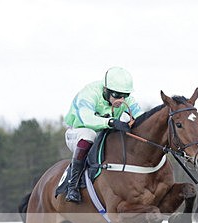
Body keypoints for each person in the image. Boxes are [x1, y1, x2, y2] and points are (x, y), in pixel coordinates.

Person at [61, 67, 144, 202]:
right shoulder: (89, 93)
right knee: (89, 135)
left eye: (125, 96)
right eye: (117, 95)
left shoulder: (125, 98)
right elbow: (86, 118)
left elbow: (141, 117)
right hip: (78, 130)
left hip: (104, 133)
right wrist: (110, 122)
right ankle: (73, 186)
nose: (121, 100)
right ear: (106, 90)